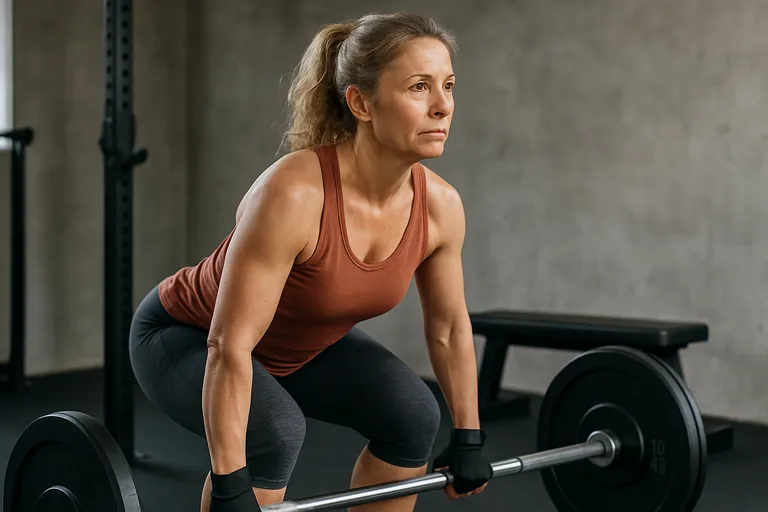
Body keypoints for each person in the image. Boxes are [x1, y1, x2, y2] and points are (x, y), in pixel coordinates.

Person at [129, 11, 493, 512]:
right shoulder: (294, 194)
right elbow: (229, 345)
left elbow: (449, 327)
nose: (443, 106)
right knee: (273, 433)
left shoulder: (440, 207)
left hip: (296, 347)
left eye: (448, 86)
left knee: (412, 414)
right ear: (361, 103)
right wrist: (231, 484)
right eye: (419, 87)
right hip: (185, 336)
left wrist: (469, 435)